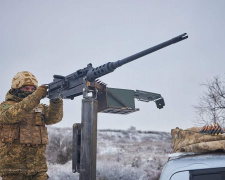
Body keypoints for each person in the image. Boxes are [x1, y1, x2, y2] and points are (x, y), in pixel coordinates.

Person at [0, 71, 63, 180]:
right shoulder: (5, 107)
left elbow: (54, 118)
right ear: (16, 89)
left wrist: (56, 100)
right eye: (26, 89)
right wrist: (35, 96)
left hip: (38, 170)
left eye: (33, 89)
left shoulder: (40, 108)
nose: (30, 92)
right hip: (13, 171)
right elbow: (11, 116)